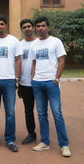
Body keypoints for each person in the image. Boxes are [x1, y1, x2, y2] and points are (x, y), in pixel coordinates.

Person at [31, 17, 71, 157]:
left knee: (57, 114)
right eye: (38, 26)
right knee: (41, 114)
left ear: (47, 27)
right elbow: (34, 63)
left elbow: (61, 61)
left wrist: (56, 79)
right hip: (37, 83)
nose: (40, 28)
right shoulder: (34, 44)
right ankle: (45, 142)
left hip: (51, 83)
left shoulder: (56, 41)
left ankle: (64, 145)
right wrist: (33, 79)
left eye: (43, 26)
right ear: (36, 28)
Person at [0, 15, 22, 152]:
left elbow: (18, 60)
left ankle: (10, 140)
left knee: (10, 112)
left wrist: (17, 78)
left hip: (9, 80)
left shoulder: (13, 41)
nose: (0, 26)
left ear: (6, 25)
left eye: (2, 24)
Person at [18, 19, 37, 144]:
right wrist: (18, 82)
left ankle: (45, 135)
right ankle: (31, 133)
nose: (27, 29)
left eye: (29, 26)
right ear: (21, 29)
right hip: (24, 83)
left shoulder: (40, 42)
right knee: (28, 110)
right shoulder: (19, 45)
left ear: (33, 28)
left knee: (42, 111)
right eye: (24, 27)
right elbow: (17, 63)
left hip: (39, 82)